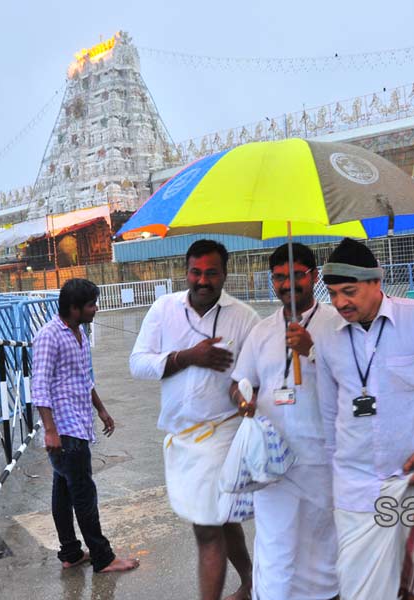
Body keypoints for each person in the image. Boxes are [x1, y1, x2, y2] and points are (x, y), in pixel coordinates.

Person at [314, 238, 414, 600]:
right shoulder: (325, 337)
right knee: (363, 592)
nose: (340, 303)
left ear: (376, 282)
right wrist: (331, 472)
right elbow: (328, 412)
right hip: (356, 484)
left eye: (349, 291)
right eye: (333, 293)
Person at [130, 240, 260, 600]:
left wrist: (245, 393)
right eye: (196, 272)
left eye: (211, 273)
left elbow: (253, 375)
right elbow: (137, 363)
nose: (203, 280)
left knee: (205, 528)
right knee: (224, 518)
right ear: (186, 272)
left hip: (222, 434)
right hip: (179, 438)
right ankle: (252, 582)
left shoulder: (244, 318)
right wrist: (188, 357)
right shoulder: (163, 309)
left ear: (225, 274)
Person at [231, 243, 342, 600]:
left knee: (321, 543)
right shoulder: (262, 331)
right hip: (272, 460)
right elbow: (239, 381)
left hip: (321, 458)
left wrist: (312, 351)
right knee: (274, 543)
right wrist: (243, 400)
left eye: (296, 275)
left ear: (315, 276)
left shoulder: (337, 324)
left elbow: (354, 384)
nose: (287, 284)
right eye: (279, 277)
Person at [31, 278, 139, 574]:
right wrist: (50, 430)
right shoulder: (49, 336)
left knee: (64, 491)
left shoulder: (79, 333)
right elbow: (38, 385)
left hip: (78, 423)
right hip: (64, 430)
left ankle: (70, 553)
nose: (96, 309)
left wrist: (101, 409)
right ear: (74, 307)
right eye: (91, 304)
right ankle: (103, 557)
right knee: (83, 494)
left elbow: (83, 378)